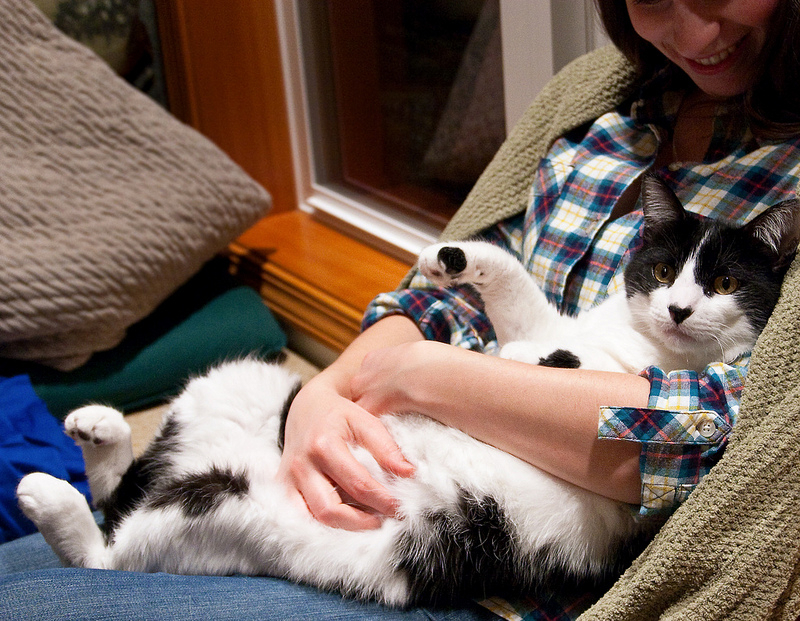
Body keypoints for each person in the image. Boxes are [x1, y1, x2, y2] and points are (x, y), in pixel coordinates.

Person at [3, 1, 800, 619]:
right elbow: (434, 289)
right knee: (221, 402)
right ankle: (121, 498)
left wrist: (414, 373)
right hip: (408, 443)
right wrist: (329, 391)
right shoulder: (594, 110)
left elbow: (704, 443)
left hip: (480, 566)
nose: (692, 30)